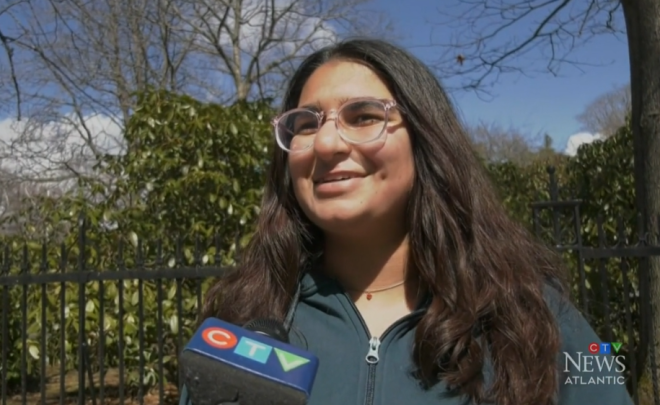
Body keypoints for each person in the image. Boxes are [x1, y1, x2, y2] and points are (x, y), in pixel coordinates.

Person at [179, 38, 634, 405]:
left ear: (426, 140)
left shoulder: (535, 314)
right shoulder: (241, 319)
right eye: (306, 123)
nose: (327, 143)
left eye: (363, 116)